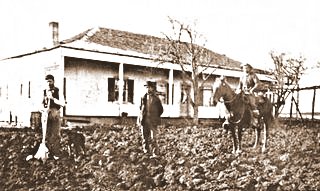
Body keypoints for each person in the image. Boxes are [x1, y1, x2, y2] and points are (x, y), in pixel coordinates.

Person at [41, 74, 65, 159]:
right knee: (46, 134)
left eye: (50, 81)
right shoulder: (44, 92)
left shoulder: (58, 91)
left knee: (55, 133)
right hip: (46, 114)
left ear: (53, 81)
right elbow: (40, 104)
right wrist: (43, 109)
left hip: (55, 113)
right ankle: (48, 153)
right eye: (47, 82)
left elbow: (62, 103)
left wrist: (53, 99)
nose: (48, 83)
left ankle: (56, 153)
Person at [138, 81, 163, 157]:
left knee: (153, 138)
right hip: (144, 120)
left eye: (149, 87)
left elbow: (161, 110)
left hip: (153, 121)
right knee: (145, 137)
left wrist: (155, 116)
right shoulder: (143, 97)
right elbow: (140, 108)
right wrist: (142, 117)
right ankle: (146, 152)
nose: (148, 89)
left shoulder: (156, 99)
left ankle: (155, 153)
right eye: (147, 87)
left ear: (152, 88)